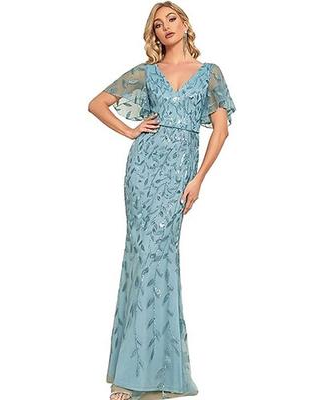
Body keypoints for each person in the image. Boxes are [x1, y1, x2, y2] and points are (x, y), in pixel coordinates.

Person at [88, 2, 236, 399]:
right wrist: (130, 131)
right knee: (142, 257)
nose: (165, 27)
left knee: (161, 258)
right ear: (153, 34)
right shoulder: (148, 72)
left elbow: (220, 131)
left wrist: (198, 179)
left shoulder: (210, 73)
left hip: (179, 176)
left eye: (171, 19)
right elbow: (96, 104)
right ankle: (132, 373)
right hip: (143, 172)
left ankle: (157, 370)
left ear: (185, 24)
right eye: (157, 24)